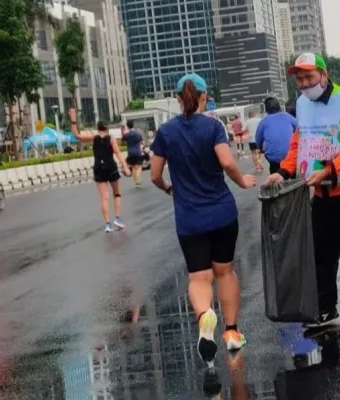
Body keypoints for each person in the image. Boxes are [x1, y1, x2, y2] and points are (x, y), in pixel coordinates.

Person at [150, 73, 256, 367]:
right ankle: (232, 333)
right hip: (222, 212)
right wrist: (242, 181)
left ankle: (204, 315)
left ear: (177, 99)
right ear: (204, 96)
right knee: (225, 272)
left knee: (199, 276)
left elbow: (155, 175)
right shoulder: (213, 127)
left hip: (189, 218)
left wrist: (169, 188)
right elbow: (226, 161)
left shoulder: (165, 132)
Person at [264, 53, 340, 336]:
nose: (304, 83)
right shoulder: (302, 105)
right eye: (299, 79)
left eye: (309, 77)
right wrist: (284, 172)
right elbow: (299, 144)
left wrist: (328, 170)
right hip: (322, 193)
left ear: (324, 75)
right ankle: (326, 307)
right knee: (322, 253)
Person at [70, 109, 131, 233]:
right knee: (117, 194)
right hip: (111, 167)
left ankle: (108, 224)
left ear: (98, 129)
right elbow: (118, 153)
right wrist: (124, 166)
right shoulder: (111, 139)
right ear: (107, 129)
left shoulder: (94, 138)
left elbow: (76, 135)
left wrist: (73, 119)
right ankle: (117, 219)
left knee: (104, 198)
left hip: (98, 168)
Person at [255, 97, 296, 174]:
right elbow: (299, 128)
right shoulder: (288, 116)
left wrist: (261, 149)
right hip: (291, 156)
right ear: (279, 107)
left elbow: (258, 140)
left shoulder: (263, 122)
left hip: (274, 159)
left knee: (275, 176)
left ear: (266, 109)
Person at [122, 121, 145, 187]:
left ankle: (136, 181)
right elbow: (142, 142)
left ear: (127, 126)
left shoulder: (126, 135)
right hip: (138, 152)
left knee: (133, 167)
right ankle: (138, 179)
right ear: (133, 125)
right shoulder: (138, 134)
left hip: (130, 153)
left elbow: (122, 142)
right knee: (139, 166)